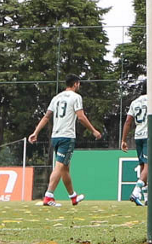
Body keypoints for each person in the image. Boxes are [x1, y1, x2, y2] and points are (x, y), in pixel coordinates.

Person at [29, 74, 101, 207]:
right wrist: (93, 130)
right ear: (75, 84)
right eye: (78, 83)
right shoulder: (76, 97)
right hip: (66, 137)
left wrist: (36, 132)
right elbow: (81, 117)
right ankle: (48, 196)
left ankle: (73, 197)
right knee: (59, 166)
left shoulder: (56, 98)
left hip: (55, 136)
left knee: (65, 168)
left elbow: (46, 117)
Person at [120, 87, 149, 206]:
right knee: (149, 166)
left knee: (143, 165)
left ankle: (146, 198)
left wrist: (123, 139)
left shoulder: (134, 102)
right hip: (149, 135)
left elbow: (128, 121)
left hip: (138, 136)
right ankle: (136, 192)